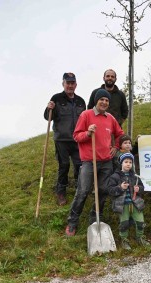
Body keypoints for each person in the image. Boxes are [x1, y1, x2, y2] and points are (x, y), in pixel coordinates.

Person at [65, 89, 124, 237]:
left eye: (107, 100)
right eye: (101, 99)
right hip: (89, 162)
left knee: (103, 191)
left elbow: (120, 134)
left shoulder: (110, 118)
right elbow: (76, 136)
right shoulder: (86, 115)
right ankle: (72, 221)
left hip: (106, 162)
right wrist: (88, 133)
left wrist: (116, 147)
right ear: (96, 101)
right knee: (83, 191)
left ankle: (95, 217)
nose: (104, 102)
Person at [44, 72, 86, 206]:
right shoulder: (56, 98)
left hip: (77, 139)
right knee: (64, 165)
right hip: (61, 139)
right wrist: (48, 108)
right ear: (63, 84)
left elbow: (84, 119)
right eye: (67, 83)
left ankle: (79, 189)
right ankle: (61, 191)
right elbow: (48, 117)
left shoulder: (81, 101)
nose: (70, 85)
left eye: (72, 83)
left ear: (76, 85)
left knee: (79, 165)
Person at [107, 152, 150, 250]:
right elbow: (110, 190)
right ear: (121, 163)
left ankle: (140, 238)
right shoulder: (115, 176)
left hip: (136, 204)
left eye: (130, 162)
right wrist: (120, 187)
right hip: (122, 206)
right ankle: (124, 240)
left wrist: (139, 189)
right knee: (124, 224)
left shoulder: (135, 176)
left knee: (140, 222)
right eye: (126, 162)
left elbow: (142, 187)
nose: (128, 164)